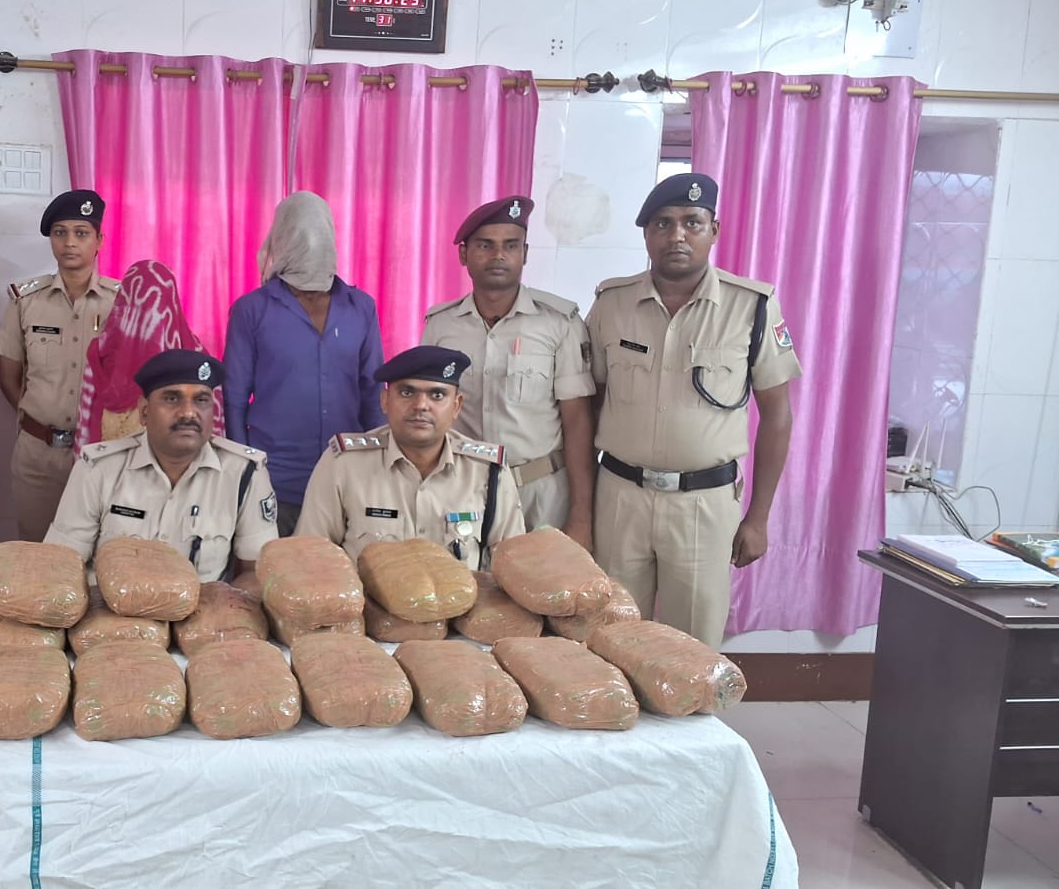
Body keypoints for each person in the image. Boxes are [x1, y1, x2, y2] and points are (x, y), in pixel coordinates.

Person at [585, 173, 801, 648]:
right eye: (663, 223)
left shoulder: (752, 307)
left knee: (693, 648)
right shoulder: (611, 304)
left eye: (692, 222)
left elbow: (777, 416)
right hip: (619, 498)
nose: (677, 235)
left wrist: (759, 517)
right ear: (647, 234)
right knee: (609, 638)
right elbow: (590, 402)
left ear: (714, 230)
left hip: (704, 505)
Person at [421, 195, 597, 548]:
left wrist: (581, 515)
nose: (498, 255)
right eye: (485, 245)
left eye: (510, 245)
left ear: (525, 254)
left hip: (539, 494)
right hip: (463, 489)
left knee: (543, 581)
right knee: (465, 580)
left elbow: (578, 422)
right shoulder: (441, 325)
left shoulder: (559, 323)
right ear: (464, 254)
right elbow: (431, 414)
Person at [223, 191, 385, 536]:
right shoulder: (251, 310)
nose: (311, 243)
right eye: (300, 234)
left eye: (319, 233)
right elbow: (234, 398)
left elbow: (373, 393)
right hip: (274, 480)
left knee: (345, 569)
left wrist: (380, 467)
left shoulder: (361, 307)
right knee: (274, 567)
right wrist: (243, 472)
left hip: (347, 477)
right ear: (282, 239)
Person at [45, 349, 280, 583]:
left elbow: (257, 572)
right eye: (172, 398)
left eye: (201, 400)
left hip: (202, 605)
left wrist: (222, 605)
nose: (189, 412)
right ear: (144, 411)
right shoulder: (98, 471)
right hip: (108, 605)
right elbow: (61, 566)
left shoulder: (243, 474)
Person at [294, 345, 527, 570]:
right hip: (367, 599)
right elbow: (311, 557)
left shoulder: (487, 470)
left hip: (464, 598)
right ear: (385, 400)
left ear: (456, 406)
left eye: (437, 395)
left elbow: (514, 565)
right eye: (407, 393)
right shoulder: (343, 465)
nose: (421, 406)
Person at [0, 189, 120, 541]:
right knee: (39, 554)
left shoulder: (121, 302)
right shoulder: (26, 301)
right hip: (38, 457)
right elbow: (9, 378)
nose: (69, 243)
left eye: (81, 233)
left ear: (99, 241)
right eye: (60, 233)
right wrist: (41, 421)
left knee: (102, 555)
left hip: (102, 454)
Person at [74, 258, 222, 450]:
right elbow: (85, 430)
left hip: (180, 467)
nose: (151, 316)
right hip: (109, 467)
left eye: (158, 305)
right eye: (142, 305)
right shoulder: (100, 356)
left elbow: (213, 438)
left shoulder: (197, 364)